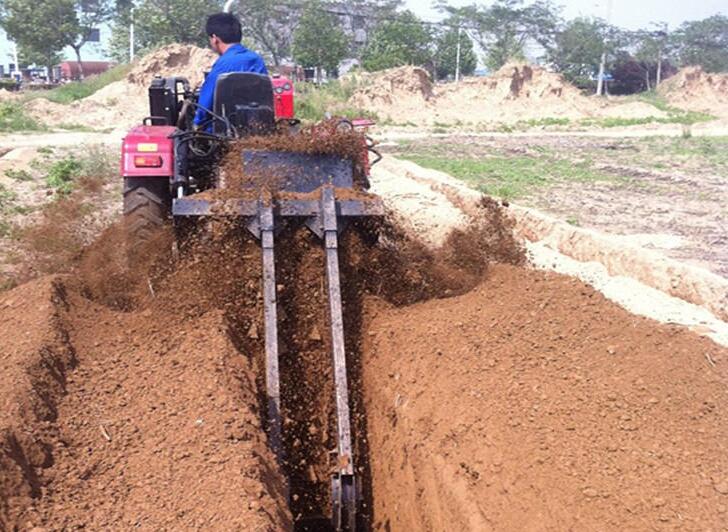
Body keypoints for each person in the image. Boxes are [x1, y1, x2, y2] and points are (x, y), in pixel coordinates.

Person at [193, 12, 268, 128]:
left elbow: (205, 103)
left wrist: (196, 122)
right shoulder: (256, 59)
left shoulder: (224, 64)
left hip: (224, 132)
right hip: (256, 128)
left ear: (214, 39)